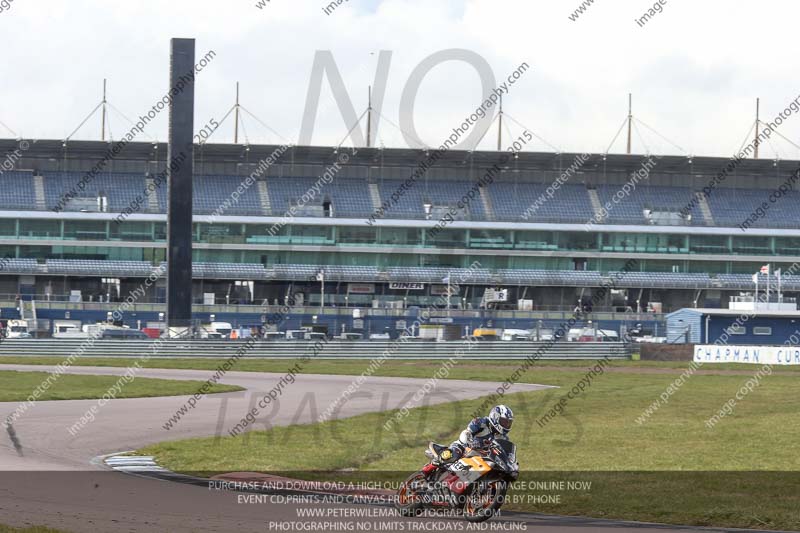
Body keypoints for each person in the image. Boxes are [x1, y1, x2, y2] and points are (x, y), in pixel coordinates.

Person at [433, 405, 514, 466]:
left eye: (508, 423)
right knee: (452, 455)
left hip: (483, 457)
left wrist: (511, 462)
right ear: (495, 417)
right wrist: (470, 442)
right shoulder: (481, 422)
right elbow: (467, 432)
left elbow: (504, 454)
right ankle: (427, 469)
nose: (506, 425)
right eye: (504, 422)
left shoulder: (503, 438)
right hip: (466, 448)